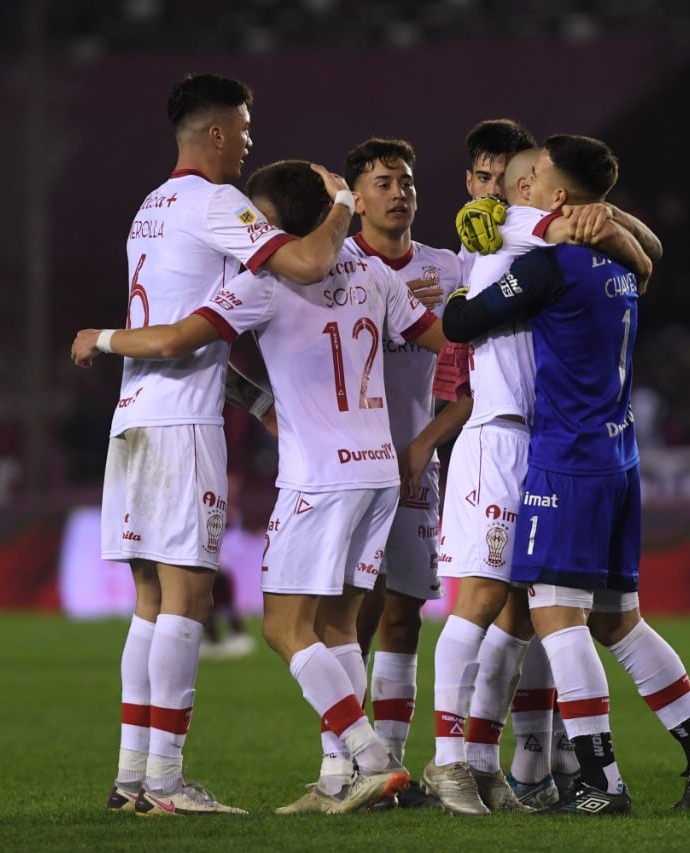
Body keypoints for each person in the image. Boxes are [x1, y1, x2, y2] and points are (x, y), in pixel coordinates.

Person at [75, 159, 448, 815]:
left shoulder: (264, 283)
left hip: (318, 477)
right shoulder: (378, 274)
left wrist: (99, 337)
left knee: (282, 627)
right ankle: (338, 776)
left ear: (273, 222)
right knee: (339, 625)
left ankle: (370, 755)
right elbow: (439, 337)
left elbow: (175, 341)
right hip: (378, 472)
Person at [442, 134, 690, 814]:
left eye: (538, 174)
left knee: (557, 618)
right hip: (620, 456)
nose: (524, 185)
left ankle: (600, 779)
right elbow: (643, 252)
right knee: (619, 621)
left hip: (567, 460)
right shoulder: (619, 266)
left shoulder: (551, 267)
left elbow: (462, 321)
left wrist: (486, 256)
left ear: (557, 196)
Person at [95, 72, 355, 817]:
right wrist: (339, 206)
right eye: (243, 127)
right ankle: (167, 782)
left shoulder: (150, 209)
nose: (249, 140)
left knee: (150, 602)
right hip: (182, 427)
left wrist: (258, 399)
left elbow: (197, 330)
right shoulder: (217, 203)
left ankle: (133, 776)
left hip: (135, 415)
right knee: (189, 599)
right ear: (214, 133)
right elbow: (305, 264)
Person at [423, 127, 655, 815]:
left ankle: (498, 761)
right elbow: (459, 322)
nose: (496, 189)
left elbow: (647, 254)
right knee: (481, 599)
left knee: (528, 617)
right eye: (483, 176)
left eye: (509, 175)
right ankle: (449, 762)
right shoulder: (506, 237)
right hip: (499, 437)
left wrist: (605, 216)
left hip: (548, 445)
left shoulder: (542, 234)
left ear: (531, 181)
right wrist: (598, 220)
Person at [331, 139, 464, 794]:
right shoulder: (331, 264)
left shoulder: (448, 267)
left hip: (415, 463)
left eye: (406, 180)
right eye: (382, 182)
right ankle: (345, 758)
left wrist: (426, 442)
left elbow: (477, 372)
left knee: (404, 614)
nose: (398, 191)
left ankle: (392, 763)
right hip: (348, 466)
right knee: (352, 614)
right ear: (356, 199)